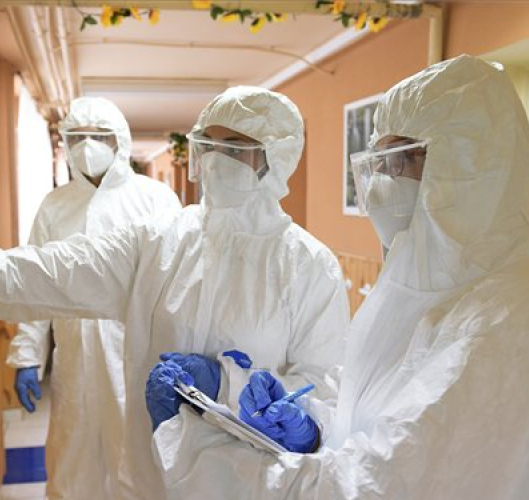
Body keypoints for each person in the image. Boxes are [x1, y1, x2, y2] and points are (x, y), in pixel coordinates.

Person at [0, 86, 350, 500]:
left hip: (249, 486)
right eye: (209, 146)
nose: (218, 162)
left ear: (276, 158)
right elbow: (42, 272)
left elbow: (323, 387)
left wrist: (237, 388)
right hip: (152, 480)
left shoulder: (308, 267)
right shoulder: (160, 242)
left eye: (235, 149)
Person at [146, 55, 529, 500]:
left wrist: (192, 448)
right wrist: (311, 427)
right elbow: (366, 419)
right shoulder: (424, 295)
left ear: (469, 163)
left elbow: (368, 487)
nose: (382, 184)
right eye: (379, 164)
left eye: (400, 161)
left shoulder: (504, 323)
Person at [7, 97, 181, 500]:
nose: (88, 145)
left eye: (99, 136)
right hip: (77, 357)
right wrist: (27, 355)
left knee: (139, 462)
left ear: (120, 139)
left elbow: (178, 282)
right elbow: (35, 283)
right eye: (78, 136)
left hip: (136, 354)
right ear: (66, 143)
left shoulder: (155, 200)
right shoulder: (55, 206)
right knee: (73, 463)